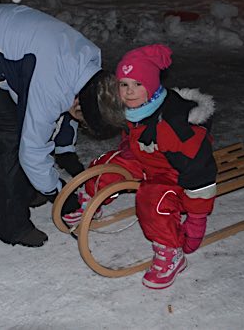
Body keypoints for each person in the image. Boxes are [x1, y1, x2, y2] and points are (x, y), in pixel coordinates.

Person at [0, 3, 124, 247]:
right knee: (9, 137)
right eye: (83, 121)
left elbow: (67, 111)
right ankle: (9, 225)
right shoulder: (51, 84)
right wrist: (58, 194)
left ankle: (28, 188)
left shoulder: (90, 67)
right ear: (80, 103)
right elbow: (32, 149)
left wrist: (65, 152)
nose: (82, 124)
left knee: (26, 125)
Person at [63, 44, 217, 289]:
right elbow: (111, 122)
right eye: (124, 84)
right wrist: (83, 114)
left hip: (174, 173)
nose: (130, 92)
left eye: (138, 84)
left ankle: (171, 253)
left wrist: (197, 219)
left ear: (153, 85)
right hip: (147, 159)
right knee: (110, 164)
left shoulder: (174, 126)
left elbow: (201, 173)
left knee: (152, 200)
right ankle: (91, 202)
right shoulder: (136, 109)